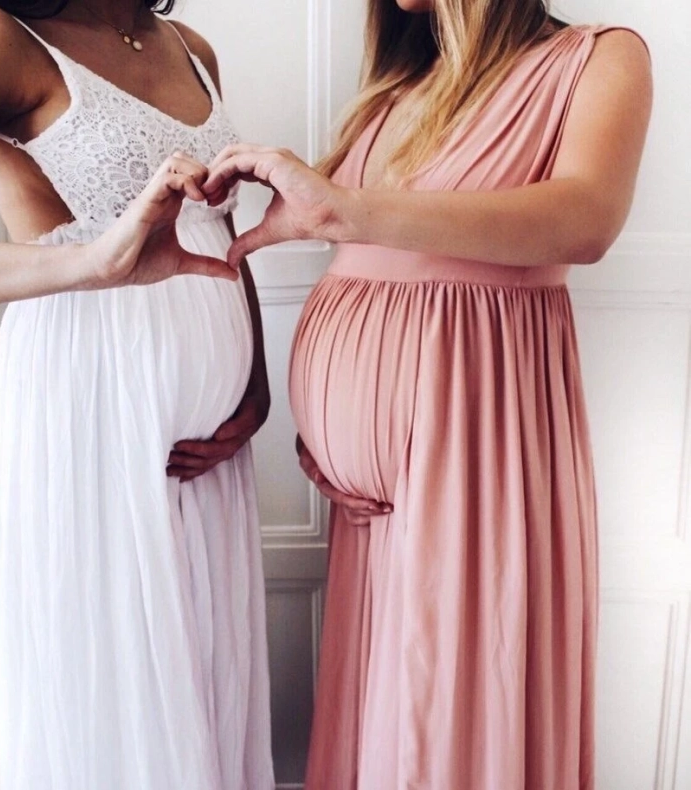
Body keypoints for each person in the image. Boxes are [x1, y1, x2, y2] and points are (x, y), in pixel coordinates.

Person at [203, 0, 652, 787]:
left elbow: (585, 220)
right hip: (365, 507)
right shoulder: (403, 80)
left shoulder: (599, 57)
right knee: (389, 722)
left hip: (477, 455)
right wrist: (335, 427)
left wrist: (343, 209)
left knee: (453, 715)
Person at [0, 2, 274, 788]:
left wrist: (256, 383)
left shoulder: (191, 47)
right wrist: (94, 262)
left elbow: (219, 231)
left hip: (208, 455)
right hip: (89, 415)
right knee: (118, 689)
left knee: (202, 686)